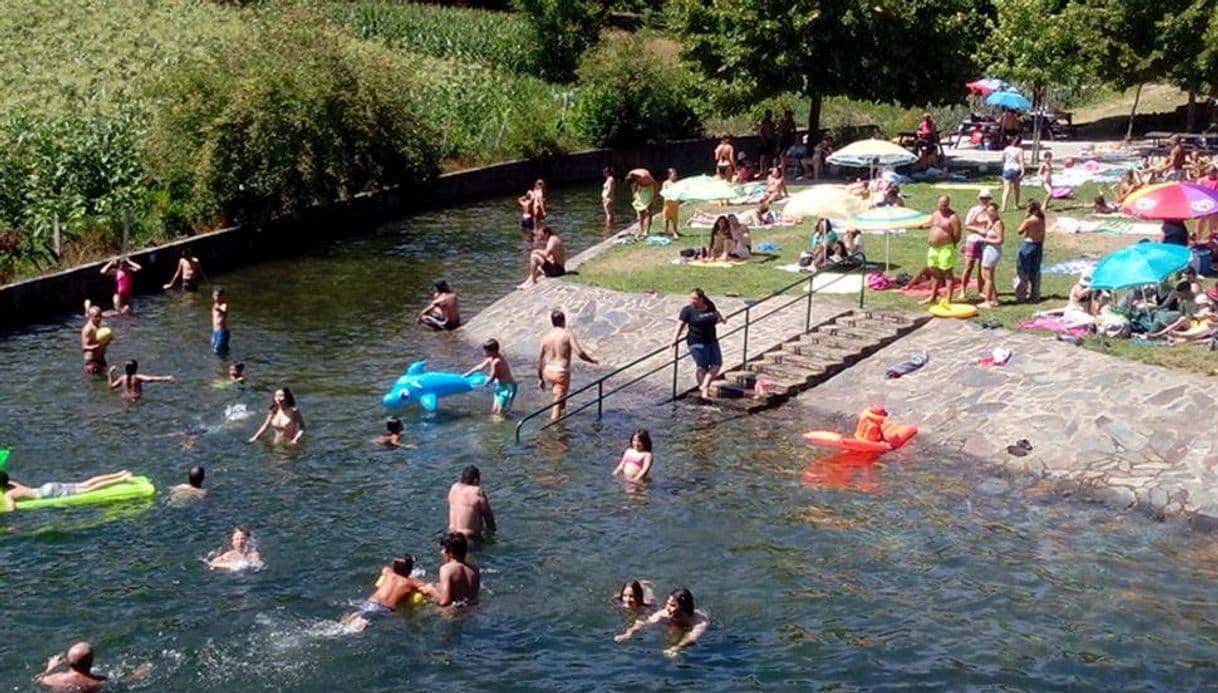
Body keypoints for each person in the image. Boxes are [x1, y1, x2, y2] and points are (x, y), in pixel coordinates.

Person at [537, 309, 599, 421]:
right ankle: (554, 428)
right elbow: (579, 353)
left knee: (560, 396)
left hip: (548, 370)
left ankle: (562, 420)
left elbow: (540, 360)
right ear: (563, 321)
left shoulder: (545, 337)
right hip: (561, 371)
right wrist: (591, 360)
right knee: (557, 400)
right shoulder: (567, 335)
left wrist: (540, 378)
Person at [614, 587, 709, 658]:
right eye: (667, 603)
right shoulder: (665, 613)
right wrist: (628, 633)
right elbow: (644, 622)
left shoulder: (699, 620)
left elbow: (692, 638)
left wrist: (676, 648)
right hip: (676, 625)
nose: (667, 607)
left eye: (672, 605)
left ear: (683, 607)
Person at [340, 554, 426, 632]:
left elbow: (385, 569)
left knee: (359, 614)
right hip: (385, 609)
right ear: (410, 570)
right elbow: (425, 588)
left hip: (370, 602)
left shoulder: (389, 573)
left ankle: (343, 624)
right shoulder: (411, 582)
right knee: (365, 623)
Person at [670, 288, 726, 400]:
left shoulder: (709, 305)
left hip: (712, 340)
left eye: (695, 299)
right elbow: (680, 325)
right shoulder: (687, 310)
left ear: (701, 299)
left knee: (717, 364)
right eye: (691, 298)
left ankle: (704, 385)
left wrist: (722, 318)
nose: (692, 301)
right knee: (702, 366)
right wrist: (674, 339)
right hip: (696, 341)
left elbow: (716, 313)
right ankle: (704, 391)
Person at [2, 469, 134, 512]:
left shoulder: (9, 494)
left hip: (47, 494)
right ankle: (120, 473)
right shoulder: (12, 484)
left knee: (90, 489)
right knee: (87, 483)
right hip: (48, 486)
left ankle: (122, 480)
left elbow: (11, 509)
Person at [919, 195, 961, 305]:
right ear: (938, 203)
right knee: (934, 272)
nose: (943, 207)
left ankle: (948, 299)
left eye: (945, 205)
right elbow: (932, 225)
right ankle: (932, 296)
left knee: (947, 273)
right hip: (933, 248)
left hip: (945, 248)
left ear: (949, 204)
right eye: (941, 205)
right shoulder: (935, 214)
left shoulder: (952, 217)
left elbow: (957, 235)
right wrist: (922, 226)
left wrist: (949, 243)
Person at [419, 532, 480, 607]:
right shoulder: (474, 570)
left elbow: (445, 602)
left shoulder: (446, 570)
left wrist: (431, 590)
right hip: (471, 612)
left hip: (451, 614)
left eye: (444, 549)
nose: (442, 552)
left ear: (450, 551)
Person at [957, 189, 993, 300]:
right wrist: (978, 230)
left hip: (986, 241)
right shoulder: (974, 210)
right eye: (982, 198)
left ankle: (981, 289)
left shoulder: (991, 211)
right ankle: (962, 290)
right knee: (968, 266)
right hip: (973, 240)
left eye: (986, 198)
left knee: (982, 267)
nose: (984, 201)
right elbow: (967, 225)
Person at [465, 338, 516, 415]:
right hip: (500, 386)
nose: (484, 353)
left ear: (493, 351)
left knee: (501, 413)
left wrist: (484, 384)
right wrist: (468, 374)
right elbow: (480, 367)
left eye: (486, 351)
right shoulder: (491, 358)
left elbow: (492, 377)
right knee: (494, 410)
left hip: (508, 387)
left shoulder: (497, 361)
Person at [448, 465, 496, 540]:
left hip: (451, 536)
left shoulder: (454, 488)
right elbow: (488, 517)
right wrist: (493, 534)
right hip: (468, 539)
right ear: (475, 480)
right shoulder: (477, 492)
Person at [34, 642, 106, 691]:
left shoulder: (54, 679)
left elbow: (38, 679)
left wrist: (50, 667)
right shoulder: (98, 682)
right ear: (91, 660)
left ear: (68, 660)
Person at [1014, 200, 1046, 303]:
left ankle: (1021, 296)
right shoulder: (1041, 218)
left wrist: (1025, 219)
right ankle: (1035, 295)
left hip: (1028, 245)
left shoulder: (1030, 220)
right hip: (1038, 245)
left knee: (1023, 271)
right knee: (1035, 271)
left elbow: (1019, 231)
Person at [978, 203, 1005, 308]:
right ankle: (995, 299)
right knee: (985, 275)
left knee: (988, 276)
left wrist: (986, 240)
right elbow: (977, 220)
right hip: (987, 250)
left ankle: (987, 301)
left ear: (996, 211)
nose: (990, 213)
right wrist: (983, 210)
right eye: (989, 211)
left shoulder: (998, 223)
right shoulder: (990, 221)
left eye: (992, 211)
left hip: (993, 250)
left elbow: (1000, 240)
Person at [108, 359, 174, 400]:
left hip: (124, 398)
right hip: (135, 398)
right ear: (136, 368)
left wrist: (110, 373)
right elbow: (149, 379)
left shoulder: (122, 378)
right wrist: (165, 378)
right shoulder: (137, 377)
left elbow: (111, 386)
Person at [626, 169, 660, 237]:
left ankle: (647, 231)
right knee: (640, 211)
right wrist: (634, 195)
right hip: (640, 190)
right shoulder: (631, 175)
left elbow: (656, 185)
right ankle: (641, 230)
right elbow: (632, 186)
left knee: (649, 211)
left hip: (649, 189)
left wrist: (655, 197)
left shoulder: (645, 177)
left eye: (636, 181)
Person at [80, 305, 109, 375]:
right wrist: (98, 346)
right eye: (96, 316)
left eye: (100, 316)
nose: (99, 318)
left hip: (101, 358)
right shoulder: (88, 329)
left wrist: (106, 341)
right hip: (92, 361)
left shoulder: (97, 325)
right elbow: (84, 347)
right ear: (90, 316)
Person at [1000, 135, 1024, 212]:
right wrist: (1023, 170)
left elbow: (1002, 159)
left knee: (1006, 189)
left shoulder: (1006, 149)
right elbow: (1021, 161)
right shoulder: (1020, 150)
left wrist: (1005, 164)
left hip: (1007, 169)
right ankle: (1016, 204)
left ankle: (1004, 206)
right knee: (1016, 189)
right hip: (1015, 169)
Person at [660, 168, 681, 239]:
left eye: (676, 175)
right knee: (666, 218)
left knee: (674, 219)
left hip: (675, 204)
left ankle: (675, 231)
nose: (675, 176)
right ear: (669, 175)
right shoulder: (665, 183)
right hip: (667, 204)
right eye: (673, 175)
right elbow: (664, 192)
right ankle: (666, 232)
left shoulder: (678, 184)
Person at [211, 287, 230, 357]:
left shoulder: (224, 305)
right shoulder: (215, 305)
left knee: (217, 351)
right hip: (215, 331)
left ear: (223, 296)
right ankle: (226, 360)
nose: (216, 298)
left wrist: (219, 309)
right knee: (215, 347)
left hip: (222, 332)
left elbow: (225, 312)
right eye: (215, 296)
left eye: (218, 296)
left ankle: (221, 364)